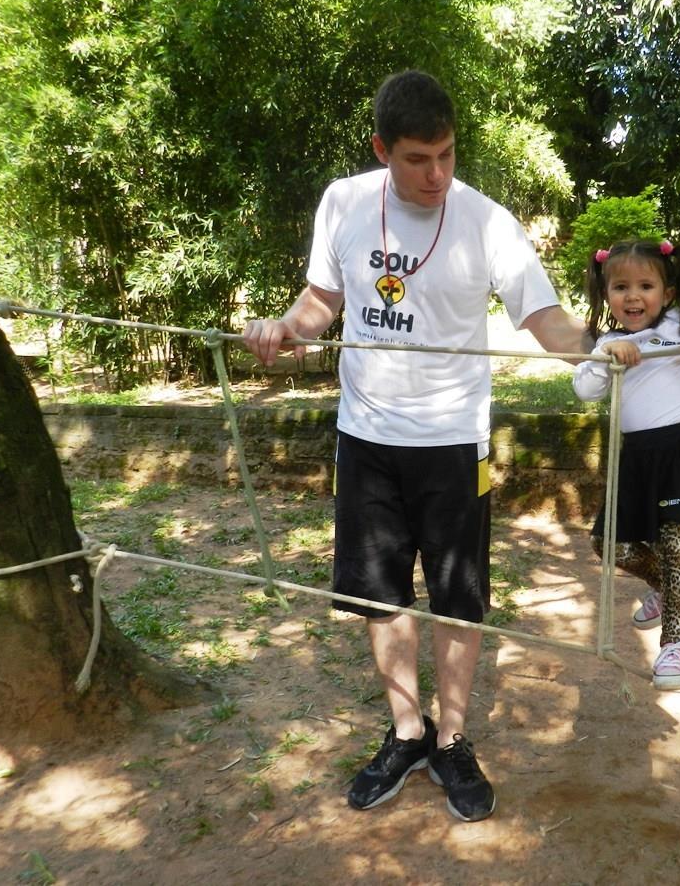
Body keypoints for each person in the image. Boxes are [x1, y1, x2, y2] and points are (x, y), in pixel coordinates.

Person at [241, 70, 596, 822]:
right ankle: (407, 733)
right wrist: (287, 330)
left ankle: (454, 740)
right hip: (365, 435)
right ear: (382, 150)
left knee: (457, 597)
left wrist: (618, 349)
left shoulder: (489, 222)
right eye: (416, 159)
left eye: (446, 155)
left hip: (453, 440)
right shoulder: (342, 202)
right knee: (382, 593)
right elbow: (321, 303)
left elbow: (550, 323)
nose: (436, 174)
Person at [572, 239, 680, 688]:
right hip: (636, 456)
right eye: (620, 286)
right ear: (606, 294)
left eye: (645, 285)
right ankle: (670, 592)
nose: (632, 295)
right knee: (610, 545)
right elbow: (585, 390)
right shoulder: (608, 340)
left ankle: (676, 647)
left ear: (666, 293)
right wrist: (607, 358)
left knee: (679, 545)